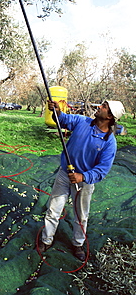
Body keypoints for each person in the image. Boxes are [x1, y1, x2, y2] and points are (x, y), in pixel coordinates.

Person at [38, 100, 125, 261]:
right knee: (53, 209)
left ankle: (78, 243)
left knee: (81, 215)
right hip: (65, 174)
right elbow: (63, 119)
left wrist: (83, 177)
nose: (99, 107)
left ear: (110, 116)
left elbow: (102, 169)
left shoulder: (109, 143)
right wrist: (56, 112)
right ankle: (46, 240)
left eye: (104, 107)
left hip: (84, 183)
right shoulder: (82, 121)